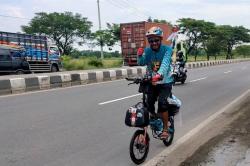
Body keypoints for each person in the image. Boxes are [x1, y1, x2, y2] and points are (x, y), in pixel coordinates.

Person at [137, 27, 174, 139]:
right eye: (151, 41)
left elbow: (165, 63)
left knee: (162, 102)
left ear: (160, 40)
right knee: (148, 103)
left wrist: (159, 74)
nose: (153, 43)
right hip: (151, 81)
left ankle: (166, 129)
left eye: (156, 40)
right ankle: (155, 119)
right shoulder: (148, 51)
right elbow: (143, 62)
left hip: (165, 81)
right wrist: (139, 55)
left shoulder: (167, 50)